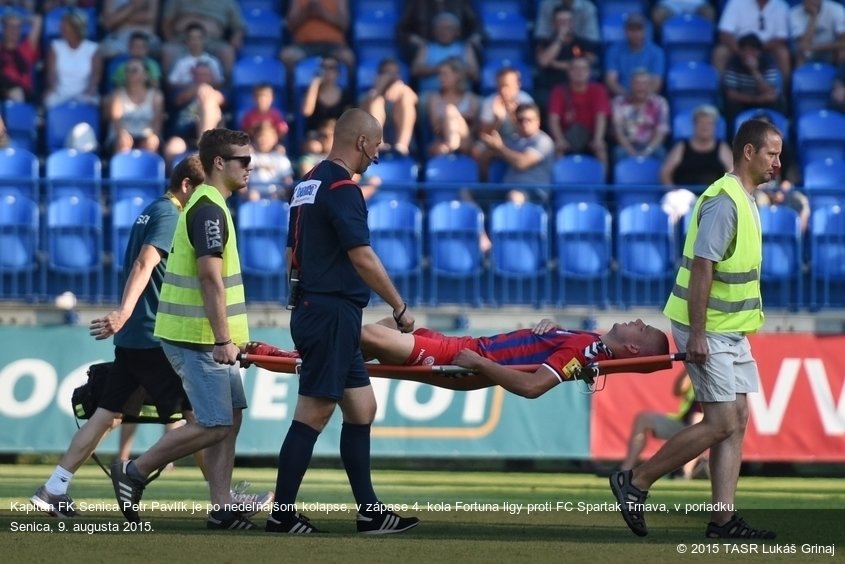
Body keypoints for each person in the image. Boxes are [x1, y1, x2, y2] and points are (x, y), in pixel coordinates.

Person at [609, 118, 781, 539]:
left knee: (736, 419)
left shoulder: (744, 197)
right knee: (722, 421)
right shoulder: (725, 200)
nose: (778, 162)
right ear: (749, 152)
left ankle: (723, 521)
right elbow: (703, 267)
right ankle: (636, 483)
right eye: (772, 153)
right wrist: (700, 333)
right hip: (708, 329)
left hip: (731, 329)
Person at [30, 157, 211, 517]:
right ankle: (221, 498)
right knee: (202, 421)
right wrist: (124, 311)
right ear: (187, 186)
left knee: (106, 416)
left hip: (135, 338)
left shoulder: (151, 209)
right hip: (154, 335)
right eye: (202, 193)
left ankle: (54, 488)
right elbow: (145, 263)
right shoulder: (170, 215)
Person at [266, 108, 419, 535]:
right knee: (313, 413)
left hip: (320, 308)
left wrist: (300, 293)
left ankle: (370, 512)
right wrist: (399, 307)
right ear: (362, 142)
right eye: (378, 142)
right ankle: (281, 515)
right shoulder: (343, 188)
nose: (380, 150)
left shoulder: (306, 184)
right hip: (330, 312)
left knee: (362, 408)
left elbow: (289, 252)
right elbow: (361, 255)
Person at [110, 128, 256, 529]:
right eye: (242, 160)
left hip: (209, 337)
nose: (250, 167)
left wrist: (235, 338)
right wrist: (225, 340)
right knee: (214, 423)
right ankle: (134, 471)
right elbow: (210, 279)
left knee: (232, 418)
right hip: (197, 338)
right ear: (219, 163)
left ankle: (222, 508)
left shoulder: (213, 205)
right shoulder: (208, 208)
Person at [353, 317, 670, 396]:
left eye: (642, 330)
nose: (638, 322)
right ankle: (333, 363)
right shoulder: (590, 344)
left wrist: (480, 364)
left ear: (632, 349)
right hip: (462, 344)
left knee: (369, 334)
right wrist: (554, 329)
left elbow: (533, 387)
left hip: (459, 358)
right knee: (393, 324)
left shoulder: (585, 352)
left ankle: (325, 359)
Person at [620, 371, 708, 479]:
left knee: (697, 419)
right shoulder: (695, 372)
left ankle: (684, 472)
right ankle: (625, 470)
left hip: (707, 428)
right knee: (643, 418)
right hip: (683, 424)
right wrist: (689, 369)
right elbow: (678, 391)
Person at [660, 105, 733, 223]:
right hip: (684, 195)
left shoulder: (722, 148)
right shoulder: (681, 146)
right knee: (673, 203)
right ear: (694, 125)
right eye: (701, 123)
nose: (705, 127)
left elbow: (732, 174)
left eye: (709, 123)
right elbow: (665, 173)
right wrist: (672, 190)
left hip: (713, 196)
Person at [547, 56, 610, 167]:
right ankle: (558, 182)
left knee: (601, 148)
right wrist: (560, 139)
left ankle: (601, 183)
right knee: (558, 149)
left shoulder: (598, 90)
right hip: (567, 135)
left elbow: (601, 117)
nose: (579, 72)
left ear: (589, 72)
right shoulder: (559, 91)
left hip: (590, 135)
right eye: (575, 69)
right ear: (569, 72)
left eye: (583, 69)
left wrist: (597, 139)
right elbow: (553, 119)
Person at [712, 0, 791, 85]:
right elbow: (724, 34)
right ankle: (720, 92)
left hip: (767, 48)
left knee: (783, 53)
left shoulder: (781, 6)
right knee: (720, 52)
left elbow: (781, 39)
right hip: (739, 47)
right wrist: (743, 52)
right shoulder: (737, 2)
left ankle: (784, 94)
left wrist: (756, 50)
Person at [43, 9, 102, 109]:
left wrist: (90, 90)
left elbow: (95, 76)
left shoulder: (93, 49)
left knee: (94, 101)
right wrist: (53, 88)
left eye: (65, 25)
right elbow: (51, 74)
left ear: (76, 28)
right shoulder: (55, 47)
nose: (61, 28)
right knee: (48, 100)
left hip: (84, 93)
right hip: (60, 92)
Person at [359, 57, 418, 156]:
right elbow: (360, 113)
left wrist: (402, 88)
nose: (391, 77)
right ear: (379, 75)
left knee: (406, 97)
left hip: (404, 146)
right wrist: (378, 89)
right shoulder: (367, 96)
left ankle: (402, 145)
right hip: (372, 148)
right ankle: (378, 144)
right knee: (376, 101)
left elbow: (415, 100)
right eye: (387, 73)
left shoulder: (406, 93)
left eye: (395, 73)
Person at [105, 57, 164, 154]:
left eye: (134, 70)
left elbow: (157, 121)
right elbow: (116, 120)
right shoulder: (118, 95)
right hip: (122, 135)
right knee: (122, 143)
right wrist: (122, 134)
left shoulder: (156, 96)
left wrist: (153, 135)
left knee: (151, 144)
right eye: (127, 70)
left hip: (146, 135)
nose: (130, 73)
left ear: (145, 75)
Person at [610, 69, 670, 164]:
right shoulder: (619, 102)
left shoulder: (660, 103)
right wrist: (631, 151)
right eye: (637, 83)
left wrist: (648, 151)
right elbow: (618, 132)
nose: (640, 88)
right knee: (618, 153)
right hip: (627, 144)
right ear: (630, 85)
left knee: (661, 153)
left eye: (644, 84)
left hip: (651, 144)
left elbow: (661, 132)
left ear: (650, 86)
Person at [722, 33, 784, 124]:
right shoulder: (733, 63)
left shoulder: (768, 62)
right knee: (730, 106)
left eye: (752, 50)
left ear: (759, 52)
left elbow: (770, 93)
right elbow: (731, 94)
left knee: (778, 103)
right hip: (743, 101)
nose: (748, 53)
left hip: (765, 101)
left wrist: (754, 71)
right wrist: (756, 99)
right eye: (744, 50)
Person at [279, 0, 355, 72]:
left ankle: (347, 86)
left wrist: (323, 13)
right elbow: (290, 26)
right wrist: (306, 12)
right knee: (287, 56)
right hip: (303, 46)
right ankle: (291, 85)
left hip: (334, 46)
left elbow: (345, 24)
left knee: (348, 57)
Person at [604, 14, 665, 97]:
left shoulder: (656, 52)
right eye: (632, 30)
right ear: (625, 31)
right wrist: (628, 97)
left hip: (648, 97)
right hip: (623, 96)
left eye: (639, 29)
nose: (636, 33)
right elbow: (611, 81)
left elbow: (656, 82)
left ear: (645, 31)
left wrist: (641, 98)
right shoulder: (614, 51)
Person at [0, 11, 40, 102]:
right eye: (10, 27)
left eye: (18, 27)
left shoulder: (26, 48)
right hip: (2, 87)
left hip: (21, 92)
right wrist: (3, 19)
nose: (14, 30)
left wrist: (21, 19)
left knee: (17, 92)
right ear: (4, 29)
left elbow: (37, 20)